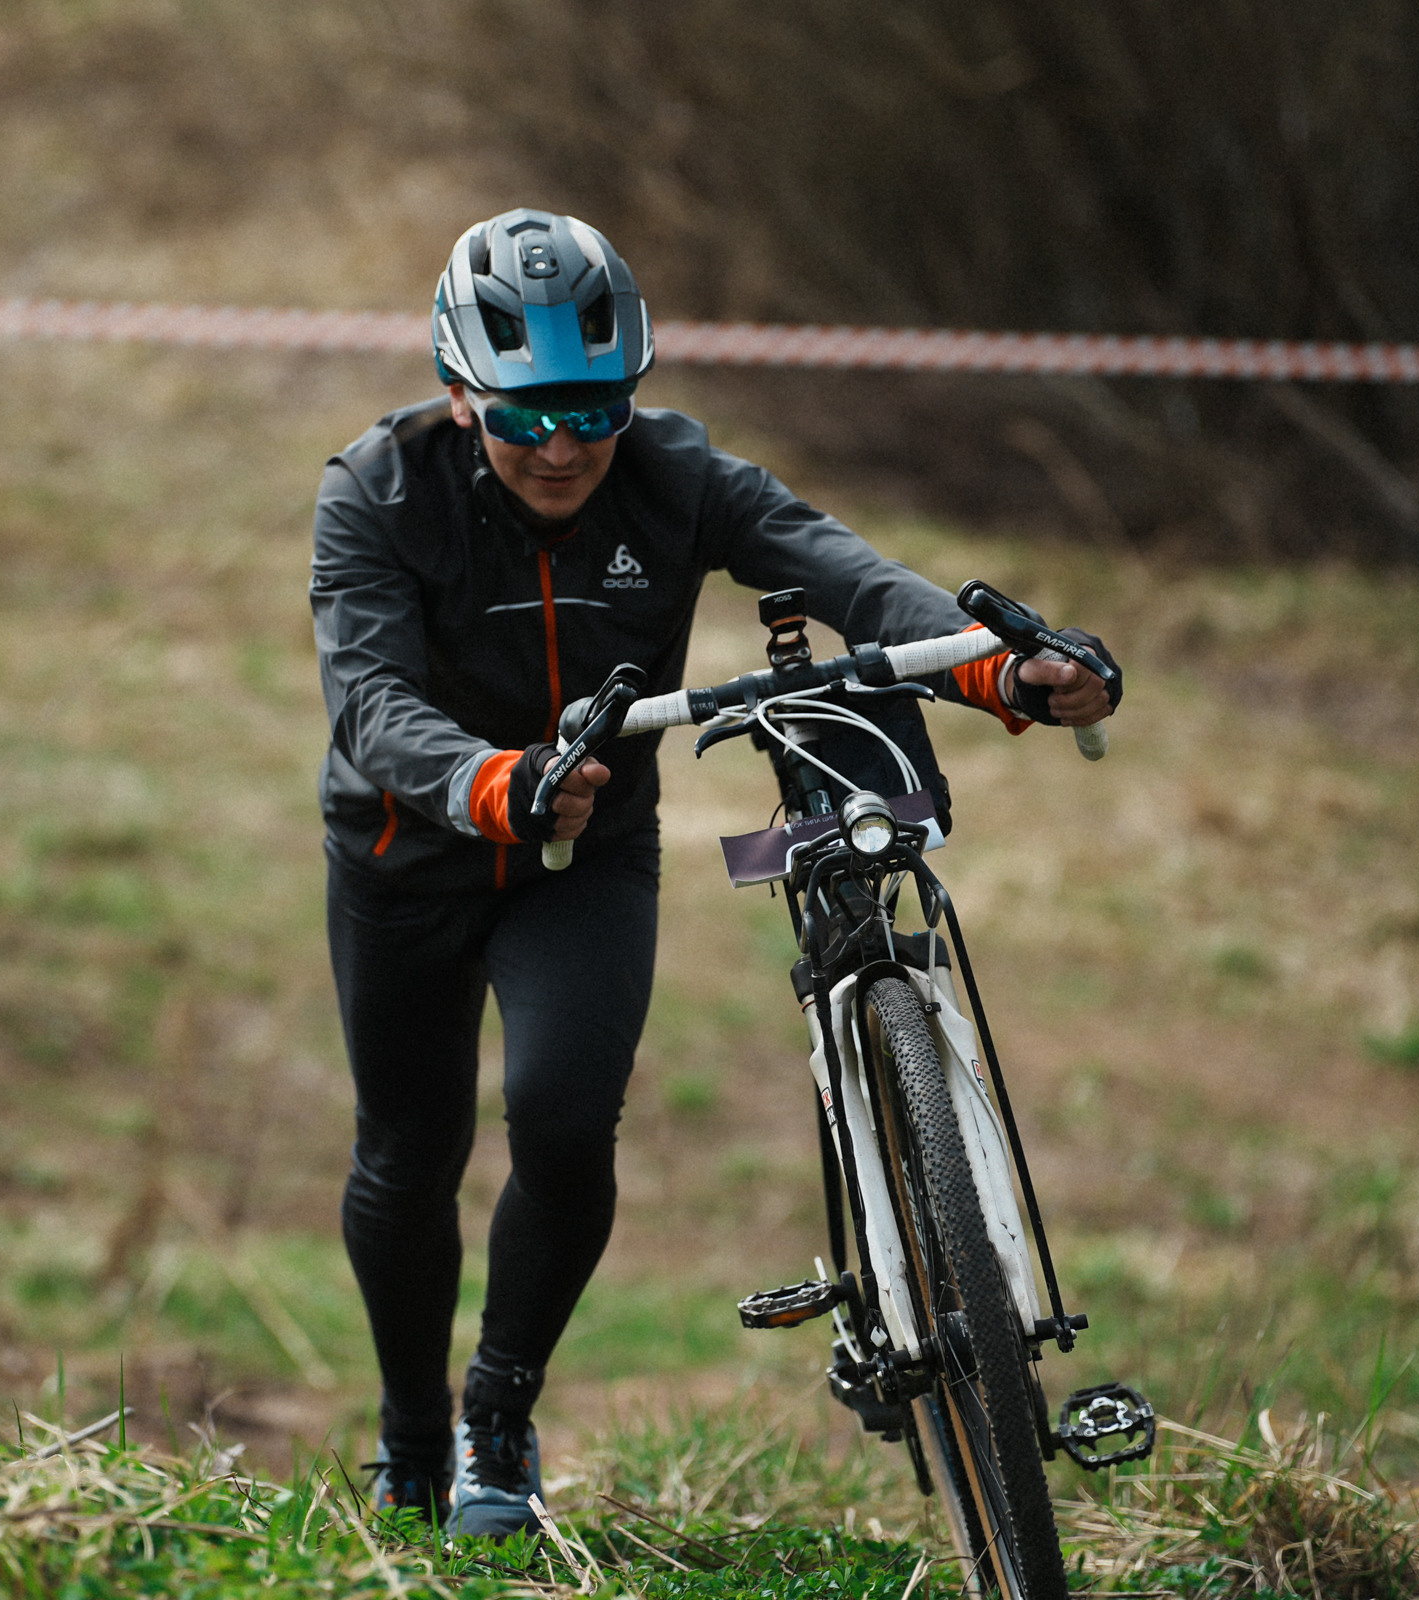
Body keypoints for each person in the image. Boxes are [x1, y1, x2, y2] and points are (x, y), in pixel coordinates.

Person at [309, 208, 1117, 1536]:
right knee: (410, 1152)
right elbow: (373, 704)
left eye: (591, 409)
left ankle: (498, 1418)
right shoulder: (376, 492)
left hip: (587, 860)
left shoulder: (675, 473)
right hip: (415, 854)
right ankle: (408, 1436)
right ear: (462, 399)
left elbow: (846, 574)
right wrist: (492, 782)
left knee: (564, 1124)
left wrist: (998, 667)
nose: (562, 446)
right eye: (522, 419)